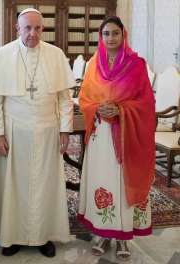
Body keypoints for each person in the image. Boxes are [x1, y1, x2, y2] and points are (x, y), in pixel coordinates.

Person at [0, 8, 75, 258]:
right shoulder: (1, 56)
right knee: (13, 186)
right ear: (17, 28)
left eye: (37, 28)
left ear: (43, 29)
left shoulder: (56, 55)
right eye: (27, 28)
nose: (32, 33)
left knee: (46, 185)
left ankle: (43, 236)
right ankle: (12, 236)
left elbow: (65, 100)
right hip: (14, 133)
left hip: (48, 131)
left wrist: (65, 129)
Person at [77, 16, 155, 261]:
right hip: (100, 136)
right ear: (100, 37)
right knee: (102, 179)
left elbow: (145, 103)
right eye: (106, 34)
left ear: (123, 35)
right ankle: (103, 232)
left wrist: (121, 110)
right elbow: (84, 98)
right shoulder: (92, 65)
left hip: (126, 136)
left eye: (115, 33)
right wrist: (97, 108)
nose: (110, 38)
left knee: (122, 183)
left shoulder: (136, 64)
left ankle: (124, 237)